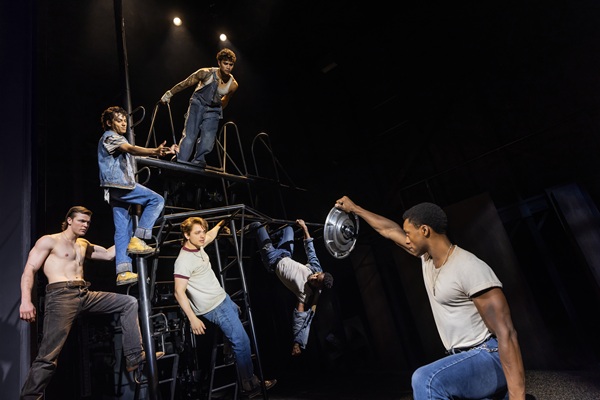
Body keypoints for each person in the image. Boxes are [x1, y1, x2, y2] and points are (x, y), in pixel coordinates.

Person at [334, 196, 526, 400]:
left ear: (424, 230)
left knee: (426, 379)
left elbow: (507, 334)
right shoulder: (426, 260)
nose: (406, 239)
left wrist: (517, 397)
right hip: (462, 359)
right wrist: (355, 208)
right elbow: (389, 230)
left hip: (489, 356)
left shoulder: (468, 266)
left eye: (409, 234)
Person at [19, 206, 162, 400]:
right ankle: (29, 397)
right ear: (69, 220)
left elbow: (109, 254)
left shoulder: (83, 244)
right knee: (48, 356)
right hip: (61, 296)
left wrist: (132, 232)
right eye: (81, 221)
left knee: (128, 302)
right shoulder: (49, 240)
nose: (85, 225)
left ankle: (134, 356)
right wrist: (26, 301)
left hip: (84, 294)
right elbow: (29, 269)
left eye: (88, 222)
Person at [173, 217, 276, 397]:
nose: (202, 236)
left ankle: (229, 352)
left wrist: (220, 224)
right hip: (214, 307)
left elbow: (210, 235)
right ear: (187, 235)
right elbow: (178, 292)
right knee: (242, 342)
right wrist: (192, 318)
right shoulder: (183, 261)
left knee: (236, 310)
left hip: (222, 298)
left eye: (202, 231)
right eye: (197, 233)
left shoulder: (198, 245)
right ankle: (249, 384)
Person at [97, 105, 177, 286]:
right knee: (156, 199)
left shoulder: (114, 139)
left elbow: (135, 153)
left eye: (125, 121)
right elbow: (131, 149)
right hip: (120, 185)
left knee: (122, 229)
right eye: (119, 121)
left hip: (113, 190)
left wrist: (163, 152)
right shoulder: (110, 137)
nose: (123, 124)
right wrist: (154, 150)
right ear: (109, 123)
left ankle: (123, 272)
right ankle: (139, 238)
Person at [250, 219, 334, 356]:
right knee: (288, 229)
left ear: (317, 286)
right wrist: (304, 227)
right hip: (286, 253)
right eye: (316, 276)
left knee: (257, 225)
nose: (313, 277)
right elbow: (310, 247)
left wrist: (297, 343)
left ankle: (240, 234)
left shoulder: (305, 294)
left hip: (272, 259)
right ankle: (268, 235)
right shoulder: (315, 269)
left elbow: (300, 319)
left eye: (315, 281)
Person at [160, 48, 239, 168]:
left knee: (208, 139)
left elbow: (225, 100)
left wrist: (215, 115)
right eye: (225, 63)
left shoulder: (233, 84)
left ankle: (198, 161)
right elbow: (186, 83)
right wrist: (170, 93)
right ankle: (182, 159)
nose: (228, 67)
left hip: (213, 109)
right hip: (198, 104)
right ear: (219, 63)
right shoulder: (206, 73)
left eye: (231, 65)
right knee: (190, 135)